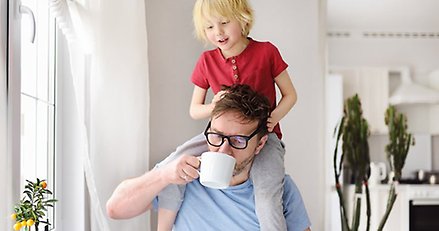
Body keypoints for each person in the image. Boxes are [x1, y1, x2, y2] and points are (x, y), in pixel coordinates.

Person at [155, 0, 298, 230]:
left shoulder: (266, 52)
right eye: (209, 27)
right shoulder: (206, 61)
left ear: (243, 19)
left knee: (267, 195)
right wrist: (215, 106)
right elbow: (195, 109)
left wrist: (274, 118)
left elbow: (290, 95)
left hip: (263, 137)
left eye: (223, 22)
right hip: (218, 137)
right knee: (172, 168)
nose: (217, 32)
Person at [106, 84, 310, 231]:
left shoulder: (279, 189)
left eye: (238, 140)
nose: (223, 150)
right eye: (217, 136)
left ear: (260, 144)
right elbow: (115, 209)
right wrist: (163, 176)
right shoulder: (181, 177)